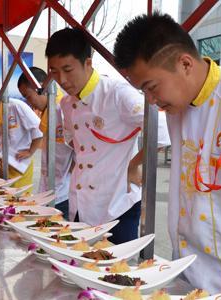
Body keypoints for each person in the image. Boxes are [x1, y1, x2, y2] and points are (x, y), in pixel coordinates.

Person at [113, 12, 221, 298]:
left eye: (151, 88)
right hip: (190, 279)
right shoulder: (179, 107)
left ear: (185, 63)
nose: (151, 101)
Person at [45, 27, 170, 244]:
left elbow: (162, 132)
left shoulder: (117, 93)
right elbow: (77, 146)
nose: (62, 80)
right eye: (54, 72)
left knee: (116, 270)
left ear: (87, 63)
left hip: (117, 206)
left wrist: (133, 165)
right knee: (82, 264)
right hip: (81, 202)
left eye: (67, 69)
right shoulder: (66, 103)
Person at [17, 66, 73, 219]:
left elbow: (80, 150)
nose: (30, 103)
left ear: (42, 86)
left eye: (28, 96)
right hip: (48, 189)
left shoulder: (63, 109)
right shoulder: (47, 114)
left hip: (63, 193)